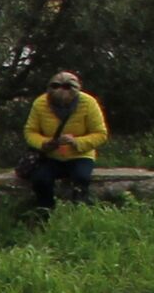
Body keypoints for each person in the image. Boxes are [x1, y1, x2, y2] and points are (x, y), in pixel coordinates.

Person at [18, 72, 108, 211]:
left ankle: (79, 211)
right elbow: (30, 131)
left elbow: (100, 134)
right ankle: (44, 213)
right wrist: (45, 143)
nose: (61, 104)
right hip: (51, 155)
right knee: (40, 180)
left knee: (81, 178)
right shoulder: (40, 103)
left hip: (80, 155)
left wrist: (76, 142)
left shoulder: (89, 103)